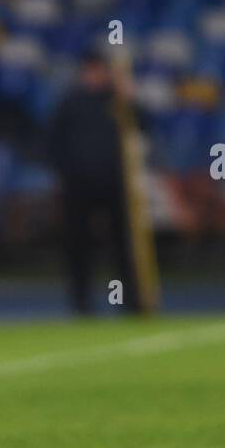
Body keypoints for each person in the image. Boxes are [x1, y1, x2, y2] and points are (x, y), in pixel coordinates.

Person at [48, 49, 141, 315]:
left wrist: (131, 100)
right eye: (92, 69)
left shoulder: (118, 102)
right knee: (79, 246)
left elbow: (144, 127)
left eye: (101, 70)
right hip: (78, 185)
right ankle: (81, 303)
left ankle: (131, 300)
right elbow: (52, 141)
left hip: (115, 183)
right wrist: (65, 172)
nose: (96, 75)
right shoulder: (70, 102)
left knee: (123, 246)